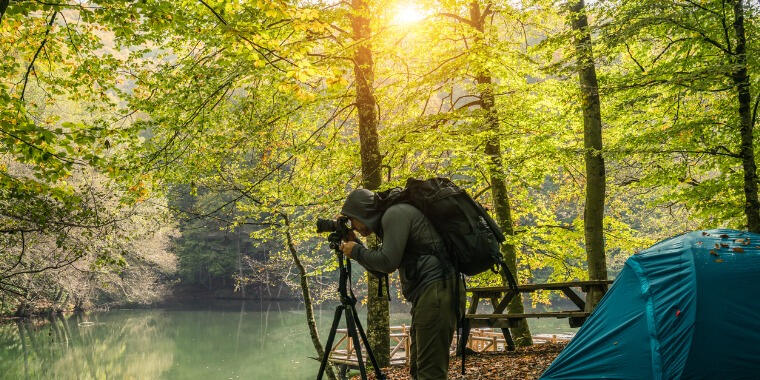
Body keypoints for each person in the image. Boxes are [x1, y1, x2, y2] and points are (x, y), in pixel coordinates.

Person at [338, 188, 464, 380]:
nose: (353, 227)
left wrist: (356, 252)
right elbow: (382, 265)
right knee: (418, 369)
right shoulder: (392, 217)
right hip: (431, 294)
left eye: (352, 220)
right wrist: (358, 249)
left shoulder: (394, 215)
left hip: (438, 292)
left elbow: (388, 262)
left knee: (430, 373)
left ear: (362, 212)